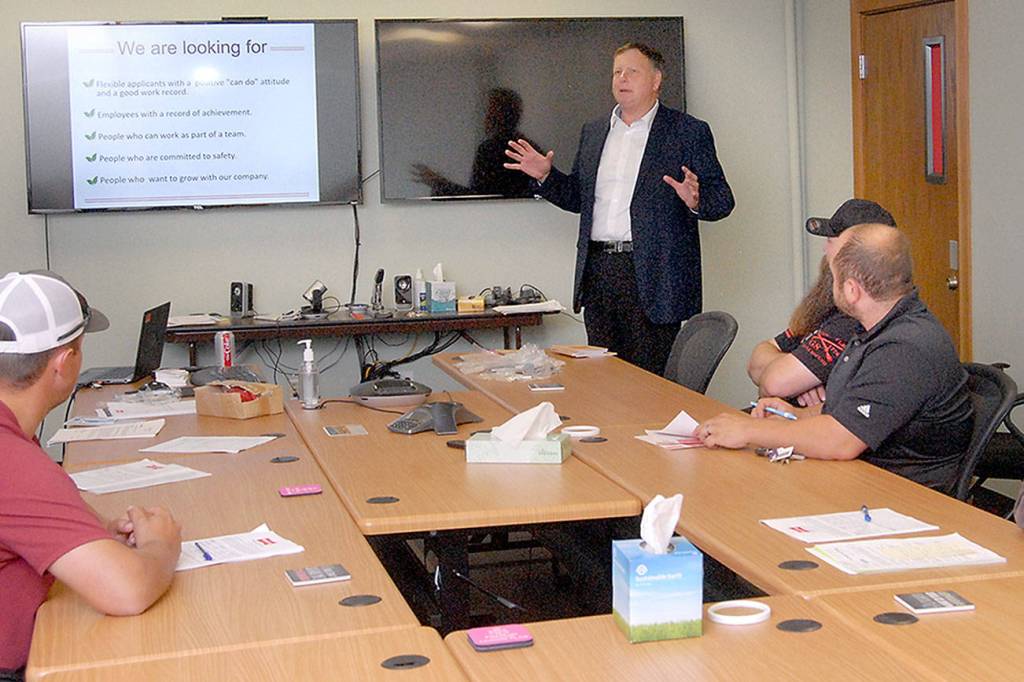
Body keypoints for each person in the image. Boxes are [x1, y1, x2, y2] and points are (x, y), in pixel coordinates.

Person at [504, 42, 734, 374]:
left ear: (656, 80)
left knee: (651, 380)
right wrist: (546, 176)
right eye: (616, 72)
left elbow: (723, 200)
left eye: (632, 71)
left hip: (654, 274)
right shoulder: (594, 131)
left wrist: (696, 200)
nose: (621, 78)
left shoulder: (687, 131)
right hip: (599, 271)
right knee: (604, 377)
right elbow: (578, 199)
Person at [695, 224, 973, 493]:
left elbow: (840, 440)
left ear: (851, 290)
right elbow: (845, 411)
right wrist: (795, 416)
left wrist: (749, 430)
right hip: (862, 474)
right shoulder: (877, 327)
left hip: (901, 494)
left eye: (833, 276)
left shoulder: (904, 348)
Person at [0, 271, 181, 681]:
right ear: (64, 364)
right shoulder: (13, 462)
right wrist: (161, 546)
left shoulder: (15, 440)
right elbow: (127, 591)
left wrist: (95, 532)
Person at [747, 199, 896, 406]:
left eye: (831, 242)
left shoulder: (855, 320)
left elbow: (774, 384)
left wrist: (792, 373)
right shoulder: (827, 306)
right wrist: (803, 375)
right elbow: (757, 360)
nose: (825, 250)